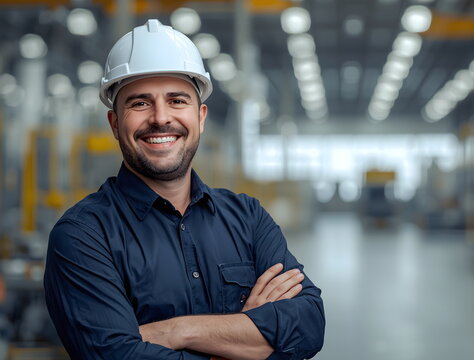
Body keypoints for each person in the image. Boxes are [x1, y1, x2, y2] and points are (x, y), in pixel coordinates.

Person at [44, 19, 325, 360]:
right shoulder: (83, 236)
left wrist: (176, 331)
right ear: (115, 123)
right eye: (139, 103)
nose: (161, 118)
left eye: (177, 100)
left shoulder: (247, 218)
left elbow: (309, 326)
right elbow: (115, 355)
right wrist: (243, 335)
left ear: (201, 117)